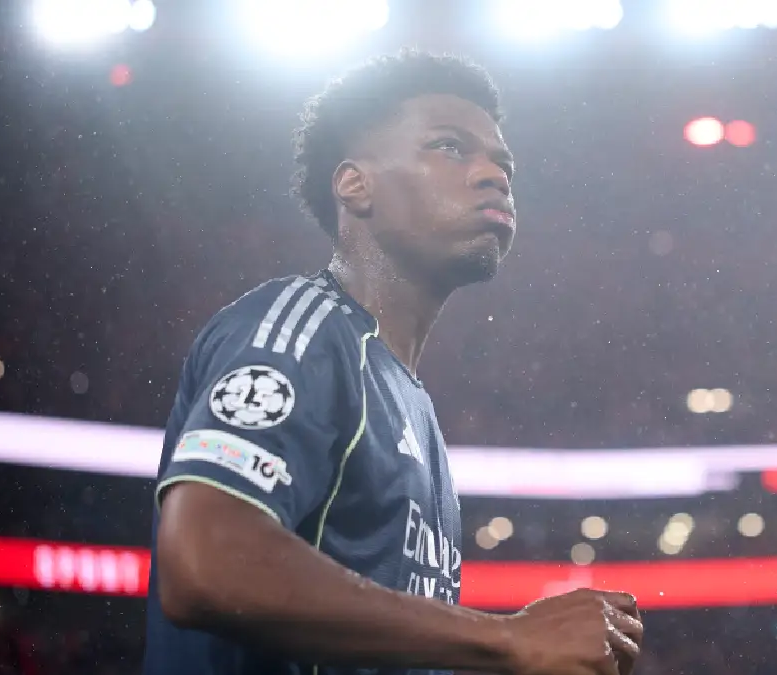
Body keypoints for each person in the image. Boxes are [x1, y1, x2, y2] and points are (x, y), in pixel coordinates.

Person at [142, 50, 643, 675]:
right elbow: (205, 560)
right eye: (451, 148)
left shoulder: (410, 404)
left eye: (502, 162)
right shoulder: (302, 331)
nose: (494, 174)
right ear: (355, 184)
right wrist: (507, 639)